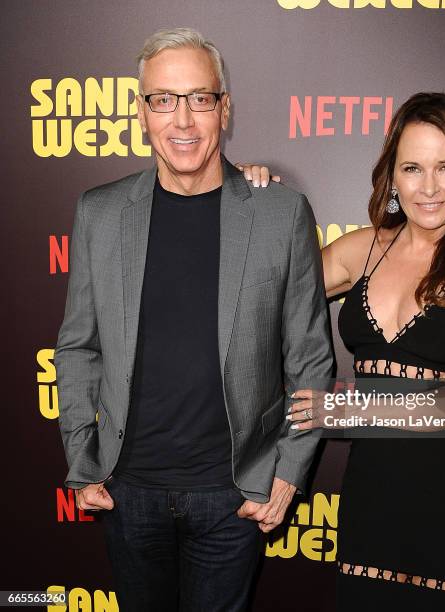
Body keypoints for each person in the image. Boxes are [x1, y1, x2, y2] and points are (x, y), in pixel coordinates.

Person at [54, 27, 333, 612]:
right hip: (128, 491)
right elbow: (79, 346)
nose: (182, 120)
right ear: (142, 113)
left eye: (199, 98)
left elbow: (309, 358)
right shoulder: (99, 213)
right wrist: (83, 455)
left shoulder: (280, 213)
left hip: (234, 494)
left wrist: (288, 472)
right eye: (163, 99)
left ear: (224, 109)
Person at [241, 92, 445, 610]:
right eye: (413, 167)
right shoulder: (361, 249)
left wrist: (343, 408)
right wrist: (251, 199)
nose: (429, 187)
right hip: (372, 496)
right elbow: (261, 292)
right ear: (392, 176)